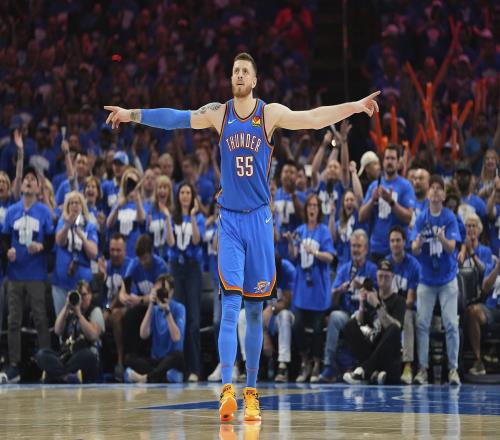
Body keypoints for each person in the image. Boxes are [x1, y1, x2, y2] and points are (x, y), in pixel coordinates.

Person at [104, 51, 379, 422]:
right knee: (231, 307)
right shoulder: (219, 113)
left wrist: (355, 106)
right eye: (234, 71)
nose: (238, 75)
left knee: (254, 310)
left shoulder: (269, 114)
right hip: (231, 222)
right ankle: (226, 391)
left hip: (260, 222)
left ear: (254, 80)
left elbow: (313, 118)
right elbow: (176, 119)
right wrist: (132, 114)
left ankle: (251, 392)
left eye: (244, 71)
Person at [0, 166, 54, 384]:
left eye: (33, 179)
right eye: (26, 179)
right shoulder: (12, 211)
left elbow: (50, 240)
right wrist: (7, 251)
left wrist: (41, 246)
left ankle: (47, 365)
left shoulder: (44, 212)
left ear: (38, 187)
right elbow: (4, 238)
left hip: (36, 275)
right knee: (13, 321)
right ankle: (14, 365)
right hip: (14, 274)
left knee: (41, 320)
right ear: (21, 186)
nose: (29, 181)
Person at [411, 175, 461, 385]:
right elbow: (414, 249)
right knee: (422, 324)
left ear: (444, 194)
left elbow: (451, 248)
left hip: (447, 278)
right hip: (426, 278)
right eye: (432, 188)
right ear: (428, 193)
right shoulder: (421, 218)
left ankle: (453, 370)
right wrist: (418, 243)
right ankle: (423, 369)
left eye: (439, 188)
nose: (435, 191)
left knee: (451, 324)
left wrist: (442, 238)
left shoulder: (449, 218)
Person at [285, 193, 334, 383]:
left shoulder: (324, 231)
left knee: (317, 328)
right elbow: (293, 255)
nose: (312, 209)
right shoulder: (300, 230)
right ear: (305, 210)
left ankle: (316, 364)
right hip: (302, 291)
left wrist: (316, 252)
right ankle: (305, 360)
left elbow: (330, 257)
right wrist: (291, 242)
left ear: (319, 210)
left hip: (318, 291)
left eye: (315, 206)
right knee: (297, 324)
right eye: (310, 206)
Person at [319, 229, 377, 383]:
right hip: (347, 313)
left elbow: (378, 296)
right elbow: (332, 297)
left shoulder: (372, 269)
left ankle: (363, 367)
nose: (355, 250)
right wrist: (339, 289)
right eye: (353, 246)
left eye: (359, 246)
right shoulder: (344, 269)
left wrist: (363, 288)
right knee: (335, 317)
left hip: (366, 316)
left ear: (366, 249)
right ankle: (329, 366)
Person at [342, 259, 405, 385]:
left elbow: (395, 328)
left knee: (393, 328)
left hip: (389, 357)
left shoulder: (399, 301)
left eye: (387, 276)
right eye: (380, 276)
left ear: (392, 277)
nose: (383, 279)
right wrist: (361, 304)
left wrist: (377, 305)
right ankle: (372, 374)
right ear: (376, 276)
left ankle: (364, 370)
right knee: (350, 325)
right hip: (372, 350)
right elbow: (360, 323)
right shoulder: (371, 296)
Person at [35, 280, 105, 383]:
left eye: (84, 295)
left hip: (84, 355)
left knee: (88, 355)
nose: (81, 299)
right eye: (79, 295)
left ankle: (55, 374)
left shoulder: (95, 311)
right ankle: (67, 376)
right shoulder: (69, 313)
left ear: (90, 295)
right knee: (41, 354)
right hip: (67, 356)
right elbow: (57, 330)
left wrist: (79, 314)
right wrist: (66, 306)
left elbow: (93, 335)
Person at [169, 182, 205, 382]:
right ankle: (178, 368)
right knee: (178, 318)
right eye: (182, 192)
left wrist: (191, 216)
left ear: (192, 196)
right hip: (176, 268)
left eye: (188, 192)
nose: (184, 195)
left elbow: (197, 240)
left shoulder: (198, 218)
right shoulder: (172, 217)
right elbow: (170, 242)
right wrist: (167, 219)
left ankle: (194, 369)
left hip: (192, 269)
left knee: (193, 321)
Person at [124, 274, 185, 383]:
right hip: (156, 360)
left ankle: (146, 378)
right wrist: (150, 306)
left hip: (171, 359)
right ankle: (157, 375)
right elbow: (143, 334)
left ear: (171, 292)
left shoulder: (179, 308)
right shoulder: (155, 310)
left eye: (164, 290)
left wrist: (167, 311)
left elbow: (176, 337)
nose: (161, 293)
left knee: (178, 357)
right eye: (158, 291)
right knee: (129, 358)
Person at [359, 145, 415, 262]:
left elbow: (408, 218)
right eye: (387, 158)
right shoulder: (374, 186)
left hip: (398, 249)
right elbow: (361, 217)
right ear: (383, 161)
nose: (389, 161)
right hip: (377, 248)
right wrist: (372, 200)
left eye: (393, 158)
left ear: (398, 162)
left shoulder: (406, 186)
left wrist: (391, 202)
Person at [52, 191, 99, 316]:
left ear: (82, 206)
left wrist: (82, 236)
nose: (74, 205)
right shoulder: (62, 223)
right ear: (67, 207)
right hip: (61, 283)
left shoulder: (89, 226)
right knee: (62, 320)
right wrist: (67, 226)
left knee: (81, 320)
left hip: (82, 286)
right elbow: (59, 241)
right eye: (71, 203)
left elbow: (93, 253)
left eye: (77, 203)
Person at [385, 225, 421, 385]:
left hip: (409, 310)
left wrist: (395, 313)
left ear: (405, 242)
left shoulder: (413, 265)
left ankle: (407, 366)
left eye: (398, 240)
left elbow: (411, 299)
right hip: (389, 309)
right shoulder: (385, 263)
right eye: (392, 241)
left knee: (405, 317)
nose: (395, 244)